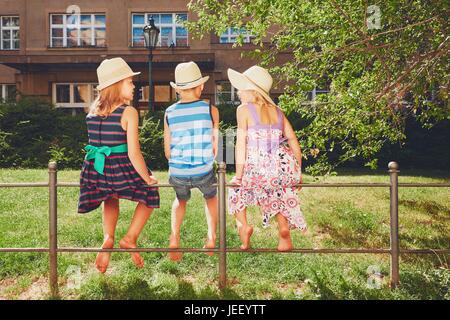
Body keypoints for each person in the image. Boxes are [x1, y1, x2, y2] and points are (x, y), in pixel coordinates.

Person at [78, 57, 159, 272]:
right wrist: (147, 178)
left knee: (110, 198)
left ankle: (108, 238)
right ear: (117, 85)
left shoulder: (92, 111)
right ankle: (130, 238)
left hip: (96, 168)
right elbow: (133, 153)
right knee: (150, 194)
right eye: (130, 82)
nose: (134, 86)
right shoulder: (128, 112)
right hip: (119, 167)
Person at [227, 65, 307, 252]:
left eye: (241, 88)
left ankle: (243, 227)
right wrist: (297, 171)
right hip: (283, 165)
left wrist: (239, 176)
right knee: (277, 191)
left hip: (259, 164)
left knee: (236, 191)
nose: (238, 92)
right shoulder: (278, 111)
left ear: (251, 90)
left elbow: (241, 144)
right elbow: (293, 141)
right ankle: (284, 231)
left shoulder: (244, 110)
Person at [164, 61, 219, 261]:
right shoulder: (210, 110)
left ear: (177, 90)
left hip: (177, 171)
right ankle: (211, 237)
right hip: (203, 169)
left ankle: (174, 237)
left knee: (180, 200)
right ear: (201, 86)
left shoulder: (169, 112)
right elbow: (216, 146)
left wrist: (178, 161)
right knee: (211, 197)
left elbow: (167, 149)